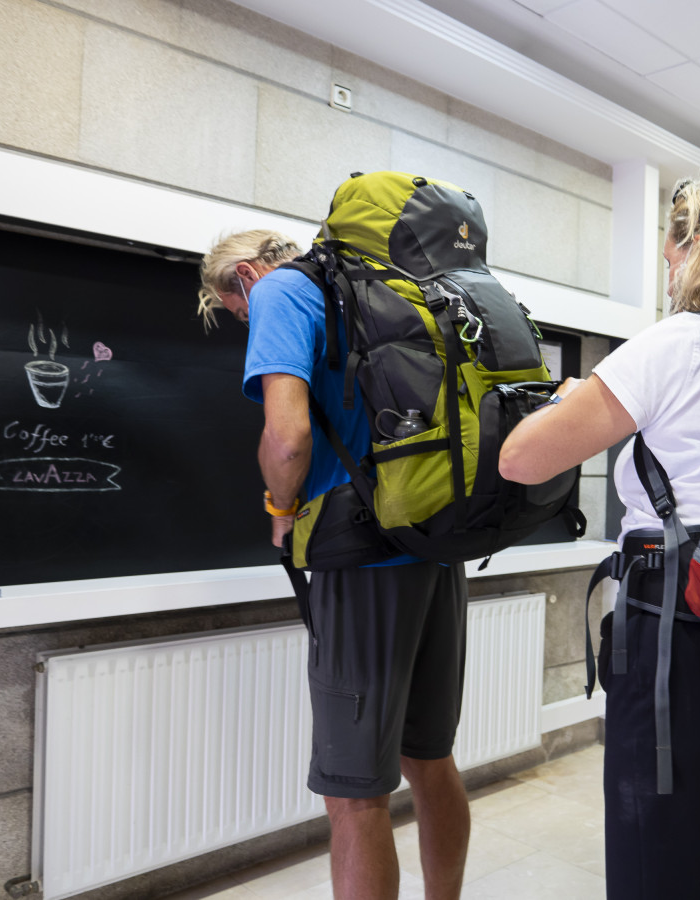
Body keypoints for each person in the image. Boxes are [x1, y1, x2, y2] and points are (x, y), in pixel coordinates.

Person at [499, 166, 700, 899]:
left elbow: (522, 459)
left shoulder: (678, 342)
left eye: (672, 249)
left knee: (670, 844)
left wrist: (577, 402)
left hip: (685, 626)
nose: (667, 264)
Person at [199, 230, 471, 900]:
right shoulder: (373, 293)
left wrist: (279, 507)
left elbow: (287, 436)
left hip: (359, 556)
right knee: (431, 762)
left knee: (354, 795)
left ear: (244, 275)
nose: (245, 322)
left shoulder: (282, 291)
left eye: (235, 313)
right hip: (433, 541)